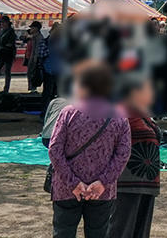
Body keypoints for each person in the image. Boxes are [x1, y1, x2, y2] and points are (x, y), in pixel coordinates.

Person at [47, 61, 132, 238]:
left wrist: (73, 182)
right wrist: (103, 182)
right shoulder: (120, 117)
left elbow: (54, 150)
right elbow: (123, 155)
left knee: (63, 233)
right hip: (102, 190)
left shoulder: (68, 113)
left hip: (66, 188)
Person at [109, 79, 161, 238]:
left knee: (140, 231)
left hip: (147, 183)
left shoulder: (143, 113)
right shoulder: (122, 112)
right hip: (127, 183)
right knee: (121, 229)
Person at [0, 15, 18, 92]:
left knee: (7, 71)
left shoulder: (11, 31)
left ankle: (6, 88)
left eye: (4, 22)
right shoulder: (1, 31)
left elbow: (10, 43)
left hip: (8, 54)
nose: (2, 24)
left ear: (7, 23)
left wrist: (4, 47)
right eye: (1, 22)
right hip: (1, 54)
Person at [25, 20, 45, 93]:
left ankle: (33, 88)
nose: (31, 29)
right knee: (30, 73)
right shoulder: (34, 36)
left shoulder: (38, 37)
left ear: (36, 28)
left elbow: (37, 49)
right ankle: (32, 88)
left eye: (32, 28)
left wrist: (35, 59)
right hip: (31, 57)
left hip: (34, 58)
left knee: (33, 74)